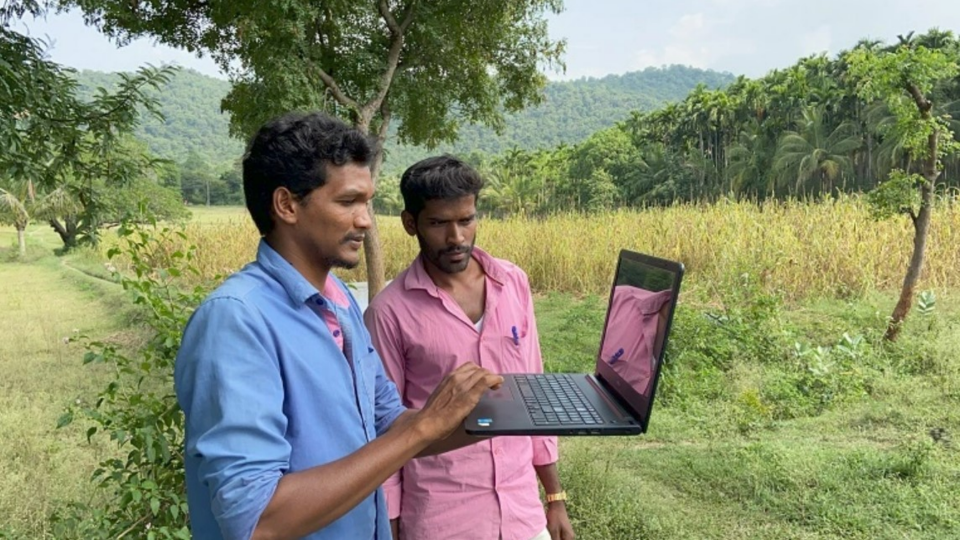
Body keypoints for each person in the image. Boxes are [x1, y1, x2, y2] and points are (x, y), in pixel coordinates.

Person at [174, 113, 503, 540]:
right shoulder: (236, 319)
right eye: (348, 202)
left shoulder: (340, 300)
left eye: (366, 202)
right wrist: (423, 427)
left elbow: (388, 421)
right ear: (287, 205)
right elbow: (256, 521)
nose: (366, 220)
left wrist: (514, 415)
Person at [364, 155, 576, 540]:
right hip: (443, 519)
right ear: (411, 224)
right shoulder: (389, 313)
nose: (457, 237)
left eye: (466, 220)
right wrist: (391, 526)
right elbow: (386, 430)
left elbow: (535, 394)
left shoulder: (513, 283)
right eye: (439, 223)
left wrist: (555, 495)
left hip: (522, 513)